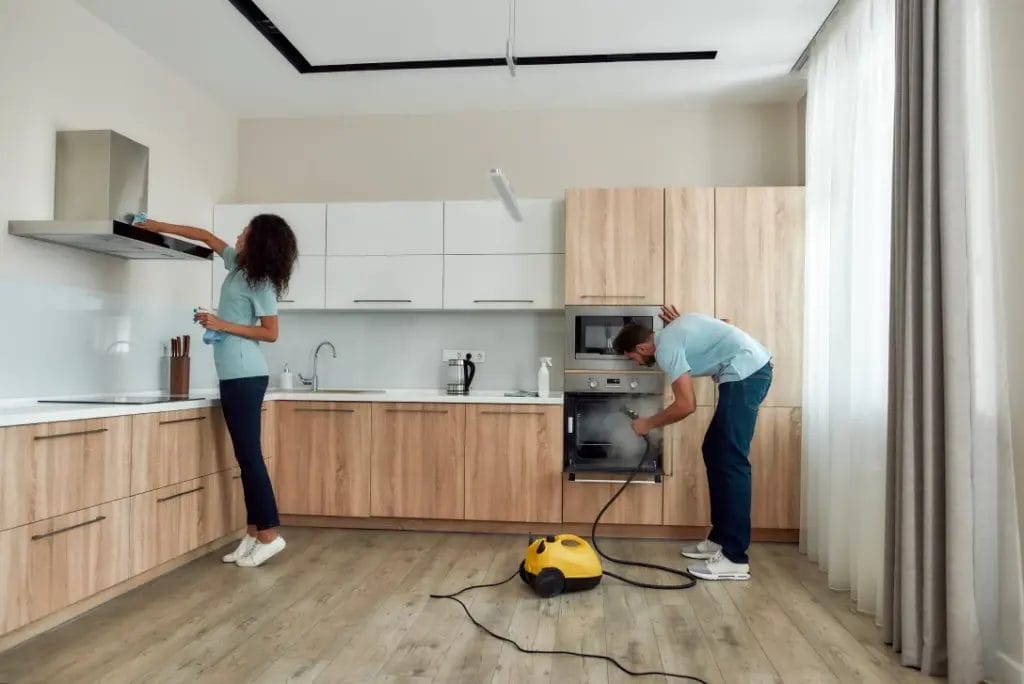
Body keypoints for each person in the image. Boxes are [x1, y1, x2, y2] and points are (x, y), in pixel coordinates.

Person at [139, 215, 298, 568]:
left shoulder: (261, 284)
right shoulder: (238, 267)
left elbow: (271, 333)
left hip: (245, 374)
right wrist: (155, 225)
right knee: (245, 459)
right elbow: (205, 236)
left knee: (250, 457)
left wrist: (220, 323)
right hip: (233, 374)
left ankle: (270, 534)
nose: (239, 233)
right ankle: (253, 534)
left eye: (246, 231)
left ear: (258, 241)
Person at [612, 305, 773, 581]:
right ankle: (720, 539)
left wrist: (647, 424)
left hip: (747, 374)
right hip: (747, 371)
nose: (636, 364)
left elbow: (687, 405)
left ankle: (734, 557)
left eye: (633, 358)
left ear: (644, 347)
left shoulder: (665, 348)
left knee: (730, 459)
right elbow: (725, 324)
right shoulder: (674, 333)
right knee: (714, 450)